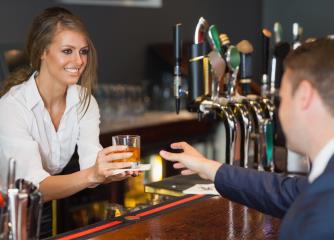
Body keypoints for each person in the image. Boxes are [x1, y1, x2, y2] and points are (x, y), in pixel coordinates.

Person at [160, 38, 334, 239]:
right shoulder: (324, 182)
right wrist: (210, 168)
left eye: (282, 99)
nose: (278, 110)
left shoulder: (321, 217)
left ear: (304, 96)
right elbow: (290, 193)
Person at [0, 7, 138, 203]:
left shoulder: (84, 100)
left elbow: (91, 163)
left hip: (44, 205)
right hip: (7, 211)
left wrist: (111, 170)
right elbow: (32, 186)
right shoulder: (11, 108)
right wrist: (93, 174)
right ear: (42, 52)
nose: (79, 60)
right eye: (67, 51)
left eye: (83, 52)